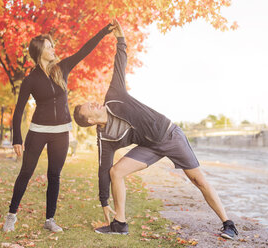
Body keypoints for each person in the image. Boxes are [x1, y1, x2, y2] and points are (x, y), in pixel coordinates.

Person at [73, 20, 238, 239]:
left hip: (169, 134)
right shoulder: (105, 138)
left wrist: (120, 39)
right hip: (150, 147)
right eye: (89, 107)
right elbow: (103, 169)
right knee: (116, 172)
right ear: (91, 121)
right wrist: (104, 201)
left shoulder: (114, 96)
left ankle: (228, 224)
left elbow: (119, 63)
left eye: (90, 102)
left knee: (198, 180)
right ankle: (119, 223)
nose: (94, 102)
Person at [3, 22, 115, 232]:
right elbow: (18, 111)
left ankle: (49, 220)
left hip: (61, 132)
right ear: (39, 52)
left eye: (52, 46)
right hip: (38, 131)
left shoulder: (61, 68)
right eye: (48, 47)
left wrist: (105, 30)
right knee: (26, 172)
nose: (53, 49)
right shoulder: (30, 80)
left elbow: (85, 50)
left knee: (54, 175)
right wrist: (16, 138)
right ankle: (11, 215)